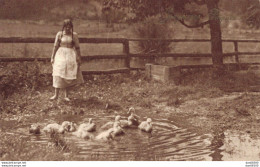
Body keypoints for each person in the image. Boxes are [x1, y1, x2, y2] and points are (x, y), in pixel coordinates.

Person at [50, 19, 84, 101]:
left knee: (68, 73)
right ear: (63, 27)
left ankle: (66, 95)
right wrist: (52, 57)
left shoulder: (74, 35)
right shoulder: (59, 34)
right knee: (58, 72)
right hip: (60, 54)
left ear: (71, 27)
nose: (68, 29)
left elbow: (77, 48)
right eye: (66, 27)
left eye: (69, 27)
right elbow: (55, 46)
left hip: (70, 55)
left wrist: (79, 57)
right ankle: (56, 95)